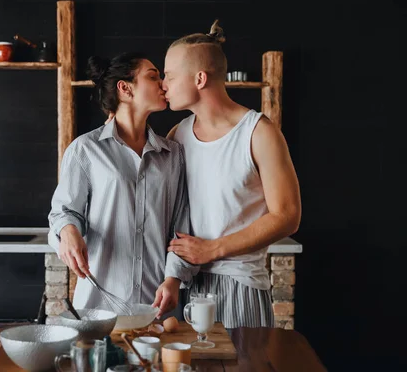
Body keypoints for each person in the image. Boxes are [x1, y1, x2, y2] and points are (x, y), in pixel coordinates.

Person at [158, 21, 302, 328]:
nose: (163, 84)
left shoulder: (259, 133)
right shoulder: (177, 136)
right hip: (190, 287)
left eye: (169, 75)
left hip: (242, 287)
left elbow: (288, 215)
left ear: (199, 78)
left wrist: (212, 249)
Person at [48, 52, 198, 312]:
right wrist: (68, 232)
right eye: (153, 77)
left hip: (156, 305)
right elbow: (63, 212)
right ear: (125, 88)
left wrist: (174, 279)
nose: (163, 84)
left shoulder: (173, 155)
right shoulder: (85, 149)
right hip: (99, 305)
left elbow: (180, 226)